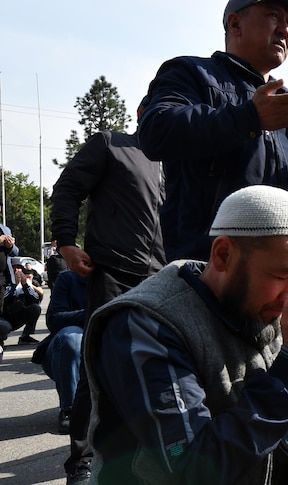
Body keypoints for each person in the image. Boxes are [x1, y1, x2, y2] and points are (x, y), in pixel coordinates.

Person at [83, 185, 288, 484]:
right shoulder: (145, 325)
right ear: (223, 254)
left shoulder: (262, 304)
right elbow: (191, 469)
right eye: (282, 275)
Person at [138, 0, 288, 317]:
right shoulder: (192, 74)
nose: (285, 28)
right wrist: (248, 118)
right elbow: (156, 132)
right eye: (274, 15)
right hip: (225, 279)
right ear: (235, 24)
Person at [50, 99, 166, 484]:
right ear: (141, 111)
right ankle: (81, 462)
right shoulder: (109, 144)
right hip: (112, 273)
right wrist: (66, 241)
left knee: (158, 369)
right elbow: (66, 189)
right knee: (98, 369)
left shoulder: (177, 167)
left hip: (162, 280)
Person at [31, 270, 88, 434]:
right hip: (68, 350)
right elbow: (55, 318)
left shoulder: (125, 277)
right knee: (71, 338)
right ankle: (70, 410)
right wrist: (92, 312)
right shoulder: (69, 278)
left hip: (107, 350)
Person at [3, 259, 43, 345]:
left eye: (19, 268)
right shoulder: (4, 281)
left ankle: (26, 336)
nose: (17, 271)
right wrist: (14, 285)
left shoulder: (26, 282)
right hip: (4, 317)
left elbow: (35, 299)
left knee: (35, 308)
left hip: (18, 317)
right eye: (14, 268)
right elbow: (3, 299)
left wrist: (25, 285)